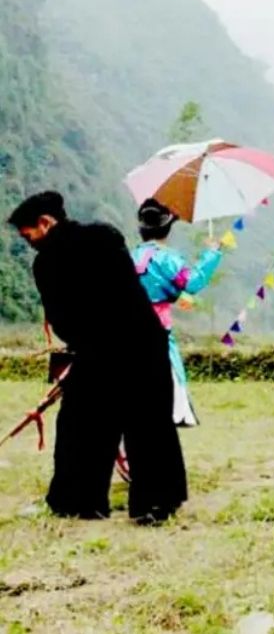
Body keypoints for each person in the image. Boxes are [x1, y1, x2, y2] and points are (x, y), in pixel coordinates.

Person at [6, 191, 188, 523]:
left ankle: (79, 503)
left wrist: (81, 346)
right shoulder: (106, 235)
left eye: (28, 233)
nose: (28, 241)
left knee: (82, 427)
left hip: (98, 352)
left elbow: (62, 319)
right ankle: (156, 504)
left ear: (45, 223)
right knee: (149, 424)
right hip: (144, 342)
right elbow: (128, 291)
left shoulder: (45, 262)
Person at [132, 199, 222, 427]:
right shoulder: (168, 258)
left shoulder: (131, 256)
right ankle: (175, 411)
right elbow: (191, 283)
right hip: (158, 321)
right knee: (168, 364)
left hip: (131, 319)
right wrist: (211, 255)